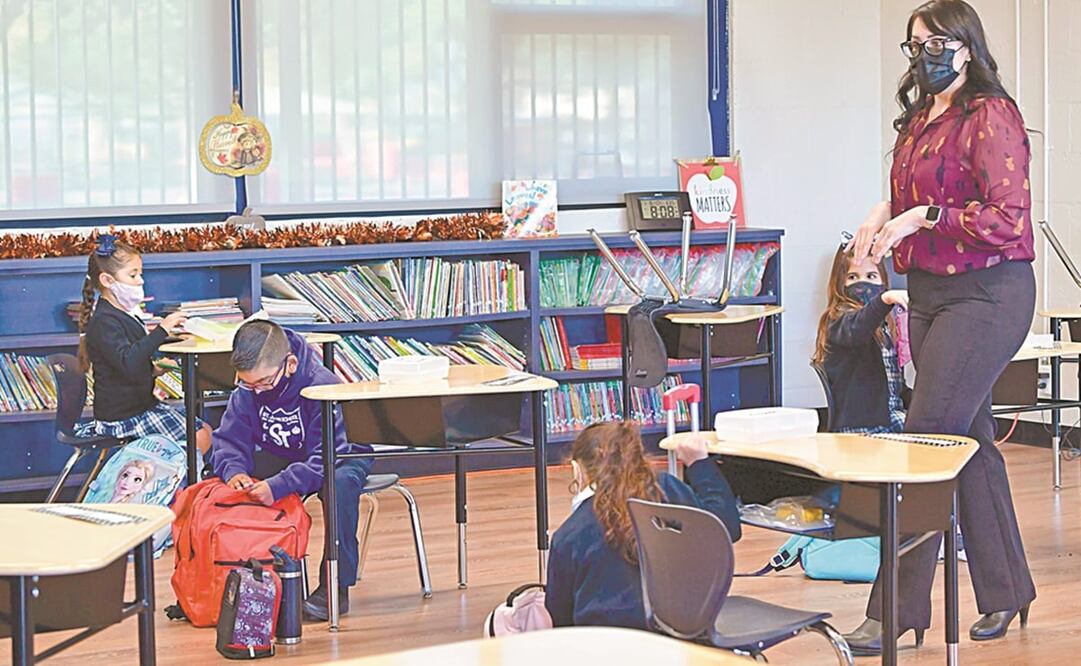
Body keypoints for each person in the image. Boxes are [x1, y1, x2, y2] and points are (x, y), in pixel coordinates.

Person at [844, 0, 1037, 654]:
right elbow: (904, 200)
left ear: (965, 46)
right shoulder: (918, 118)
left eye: (934, 44)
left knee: (924, 442)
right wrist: (878, 221)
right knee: (969, 440)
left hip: (986, 294)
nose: (923, 56)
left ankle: (894, 608)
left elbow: (1004, 219)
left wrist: (923, 216)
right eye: (914, 45)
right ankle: (1007, 591)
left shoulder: (990, 116)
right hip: (927, 292)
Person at [210, 319, 373, 622]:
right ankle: (238, 578)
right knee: (222, 481)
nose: (257, 391)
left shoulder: (321, 385)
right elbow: (229, 439)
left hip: (340, 455)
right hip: (286, 455)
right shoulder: (249, 389)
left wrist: (279, 485)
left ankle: (335, 587)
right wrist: (234, 471)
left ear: (291, 364)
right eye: (247, 383)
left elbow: (326, 455)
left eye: (264, 383)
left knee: (340, 485)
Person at [544, 421, 741, 629]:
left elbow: (560, 618)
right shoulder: (665, 489)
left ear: (577, 471)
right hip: (677, 634)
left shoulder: (568, 534)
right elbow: (726, 526)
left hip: (602, 644)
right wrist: (699, 464)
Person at [77, 234, 212, 454]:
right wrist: (162, 330)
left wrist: (152, 369)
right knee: (200, 437)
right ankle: (168, 485)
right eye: (133, 275)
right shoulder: (104, 321)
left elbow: (127, 363)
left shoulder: (123, 314)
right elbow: (128, 361)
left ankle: (177, 482)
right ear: (107, 280)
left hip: (140, 406)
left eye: (140, 274)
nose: (140, 281)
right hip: (124, 417)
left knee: (203, 429)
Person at [813, 246, 910, 434]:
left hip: (890, 416)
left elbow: (894, 386)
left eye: (871, 276)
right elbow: (857, 328)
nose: (862, 284)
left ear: (883, 280)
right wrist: (883, 300)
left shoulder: (885, 327)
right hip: (861, 426)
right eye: (852, 277)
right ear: (839, 283)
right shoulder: (838, 319)